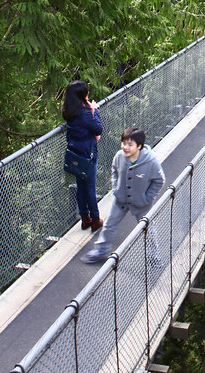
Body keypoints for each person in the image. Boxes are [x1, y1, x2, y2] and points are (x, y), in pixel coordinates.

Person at [82, 128, 165, 264]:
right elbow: (114, 170)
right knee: (109, 224)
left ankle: (154, 257)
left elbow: (159, 180)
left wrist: (147, 198)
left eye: (130, 145)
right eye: (124, 143)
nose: (125, 147)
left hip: (141, 203)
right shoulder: (119, 157)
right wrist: (116, 189)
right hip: (121, 199)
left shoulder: (151, 162)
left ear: (139, 146)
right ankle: (101, 251)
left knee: (149, 229)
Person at [63, 80, 103, 232]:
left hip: (76, 155)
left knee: (81, 186)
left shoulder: (69, 112)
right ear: (82, 95)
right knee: (90, 187)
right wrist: (95, 110)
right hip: (88, 154)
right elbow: (98, 129)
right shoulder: (85, 113)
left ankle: (84, 218)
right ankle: (96, 219)